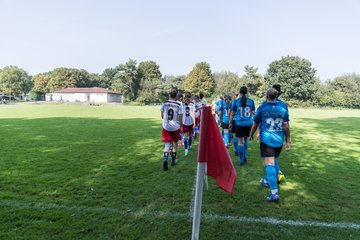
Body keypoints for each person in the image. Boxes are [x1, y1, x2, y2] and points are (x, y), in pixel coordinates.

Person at [249, 88, 291, 202]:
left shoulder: (262, 107)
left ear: (267, 96)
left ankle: (274, 193)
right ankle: (266, 180)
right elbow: (286, 125)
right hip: (278, 141)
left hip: (267, 140)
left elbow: (255, 123)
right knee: (273, 161)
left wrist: (251, 134)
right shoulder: (283, 108)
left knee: (270, 165)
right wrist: (288, 140)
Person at [257, 84, 289, 184]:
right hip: (279, 135)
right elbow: (286, 122)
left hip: (267, 136)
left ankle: (276, 174)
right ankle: (268, 179)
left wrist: (258, 132)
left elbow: (259, 120)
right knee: (272, 158)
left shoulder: (265, 104)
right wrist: (288, 139)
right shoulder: (283, 105)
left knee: (270, 160)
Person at [229, 86, 255, 165]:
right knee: (246, 140)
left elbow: (232, 114)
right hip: (248, 123)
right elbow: (253, 113)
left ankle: (241, 160)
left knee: (240, 142)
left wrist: (230, 123)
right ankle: (244, 157)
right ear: (246, 92)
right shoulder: (251, 101)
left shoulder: (236, 102)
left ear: (240, 92)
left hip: (239, 124)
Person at [161, 89, 183, 171]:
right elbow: (180, 116)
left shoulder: (165, 103)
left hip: (166, 126)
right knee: (174, 144)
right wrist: (180, 126)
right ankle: (173, 161)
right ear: (176, 96)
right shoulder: (179, 104)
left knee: (167, 145)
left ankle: (165, 159)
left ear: (169, 95)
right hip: (175, 127)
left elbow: (162, 116)